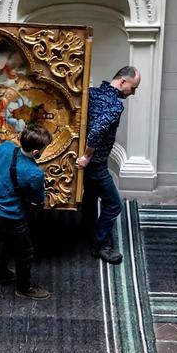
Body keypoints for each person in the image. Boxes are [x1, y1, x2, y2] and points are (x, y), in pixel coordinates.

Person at [76, 66, 141, 264]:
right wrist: (87, 156)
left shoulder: (92, 93)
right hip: (96, 164)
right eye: (133, 87)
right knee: (114, 204)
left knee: (90, 197)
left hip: (89, 161)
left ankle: (87, 231)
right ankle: (100, 245)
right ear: (122, 81)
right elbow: (97, 130)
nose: (133, 92)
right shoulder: (115, 105)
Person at [0, 126, 53, 300]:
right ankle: (24, 287)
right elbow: (37, 200)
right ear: (36, 152)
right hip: (13, 215)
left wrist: (1, 178)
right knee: (25, 252)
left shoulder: (5, 147)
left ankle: (0, 274)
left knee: (6, 239)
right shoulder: (34, 173)